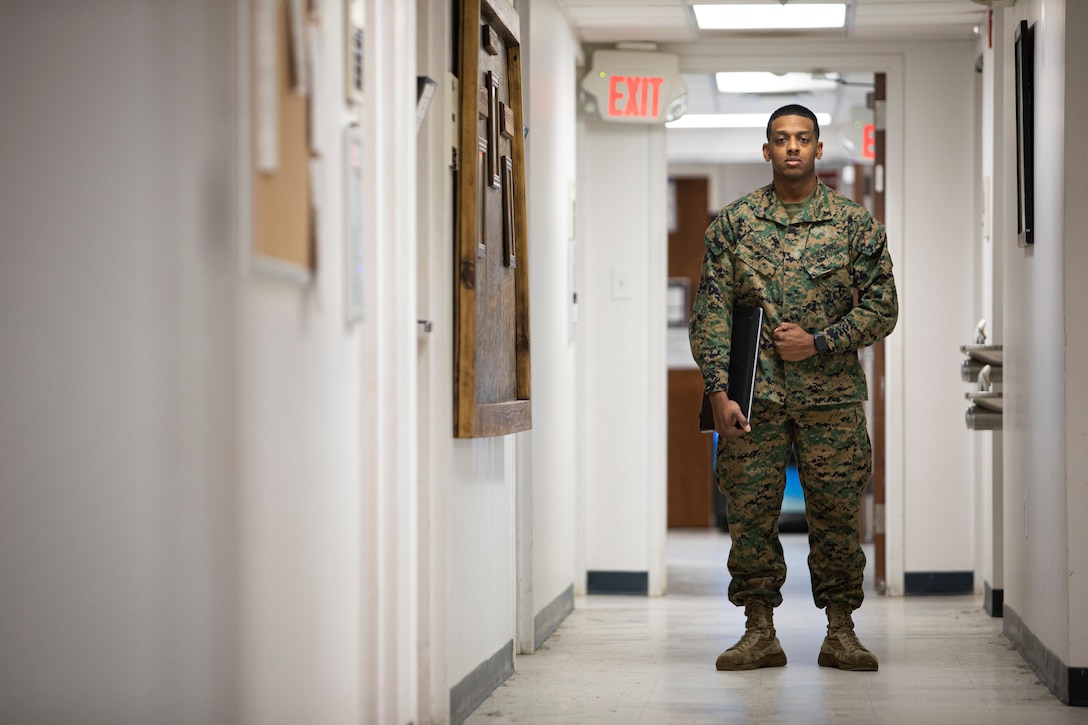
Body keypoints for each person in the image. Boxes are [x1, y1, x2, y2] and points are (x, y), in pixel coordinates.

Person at [688, 104, 898, 672]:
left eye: (803, 138)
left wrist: (821, 341)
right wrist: (717, 392)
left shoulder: (854, 225)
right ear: (767, 151)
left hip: (830, 401)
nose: (792, 148)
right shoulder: (734, 224)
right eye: (781, 139)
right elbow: (710, 314)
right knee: (750, 516)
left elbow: (884, 309)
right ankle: (759, 631)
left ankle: (841, 631)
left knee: (836, 517)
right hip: (755, 399)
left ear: (819, 148)